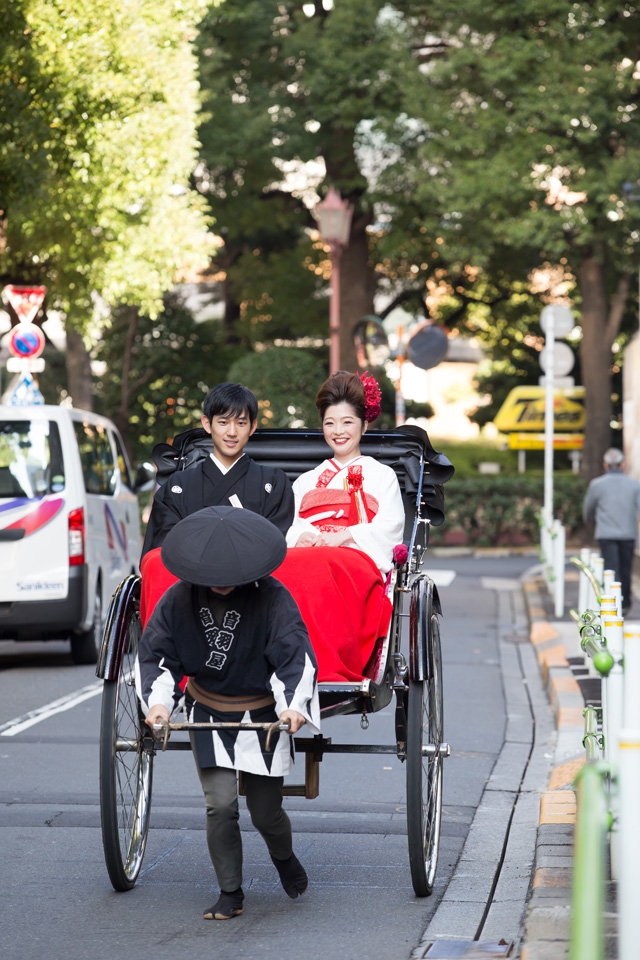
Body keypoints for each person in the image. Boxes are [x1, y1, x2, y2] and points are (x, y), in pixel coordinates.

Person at [136, 506, 319, 921]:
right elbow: (156, 656)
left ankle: (284, 856)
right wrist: (160, 703)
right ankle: (230, 892)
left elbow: (294, 656)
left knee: (265, 813)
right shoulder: (178, 598)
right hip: (208, 710)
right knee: (219, 806)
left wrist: (293, 706)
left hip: (264, 715)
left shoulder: (272, 597)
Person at [273, 371, 405, 682]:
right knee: (283, 568)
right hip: (310, 554)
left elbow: (390, 526)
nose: (338, 431)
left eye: (347, 422)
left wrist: (346, 535)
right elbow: (292, 526)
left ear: (364, 425)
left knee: (324, 564)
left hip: (356, 559)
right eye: (330, 423)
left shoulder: (382, 475)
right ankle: (283, 660)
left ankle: (326, 666)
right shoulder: (305, 481)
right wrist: (303, 536)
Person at [139, 382, 295, 624]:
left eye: (240, 423)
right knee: (156, 562)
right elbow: (164, 544)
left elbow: (277, 542)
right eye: (223, 422)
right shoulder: (179, 485)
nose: (231, 432)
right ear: (207, 424)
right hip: (189, 596)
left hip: (255, 597)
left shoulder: (273, 482)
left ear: (252, 426)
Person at [582, 447, 640, 616]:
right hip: (628, 534)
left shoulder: (596, 484)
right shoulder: (635, 485)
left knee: (611, 569)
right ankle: (625, 603)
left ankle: (612, 603)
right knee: (625, 569)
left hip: (606, 534)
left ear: (605, 465)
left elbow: (588, 508)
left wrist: (588, 520)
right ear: (622, 464)